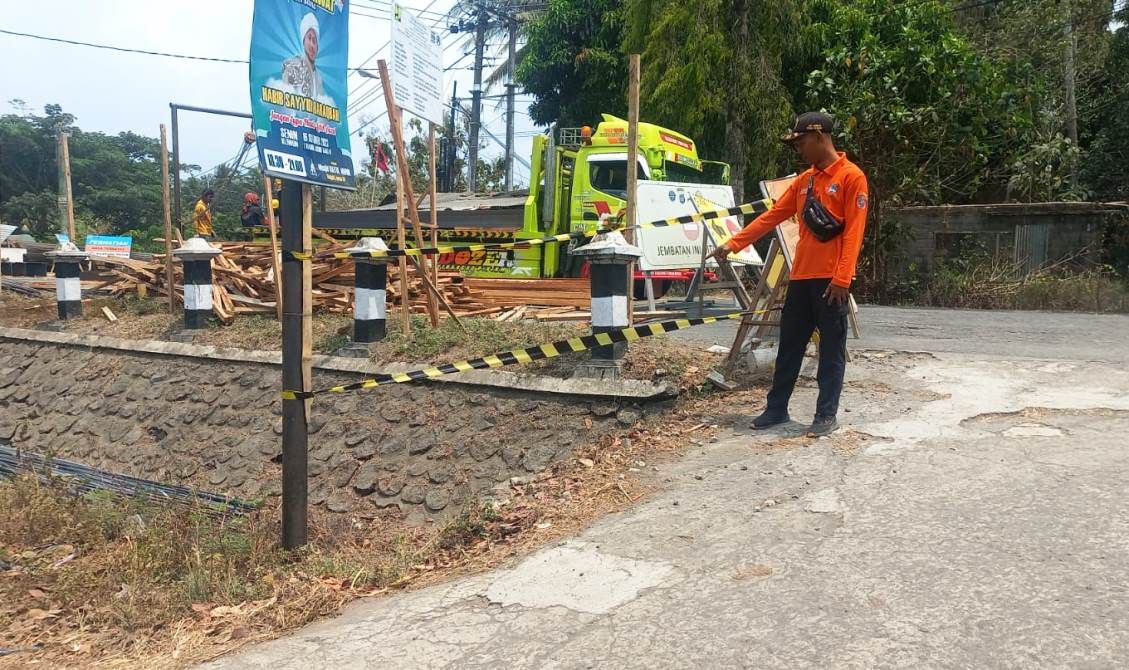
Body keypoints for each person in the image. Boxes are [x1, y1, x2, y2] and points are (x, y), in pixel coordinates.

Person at [709, 111, 869, 437]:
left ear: (820, 136)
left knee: (831, 350)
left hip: (831, 282)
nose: (799, 149)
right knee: (789, 348)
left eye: (802, 142)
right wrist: (733, 244)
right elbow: (772, 217)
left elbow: (854, 232)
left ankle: (825, 415)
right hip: (801, 278)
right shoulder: (804, 181)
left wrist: (843, 278)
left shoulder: (852, 177)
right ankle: (776, 409)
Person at [282, 13, 326, 99]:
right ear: (303, 42)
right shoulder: (293, 66)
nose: (312, 45)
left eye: (314, 40)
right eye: (309, 38)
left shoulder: (319, 78)